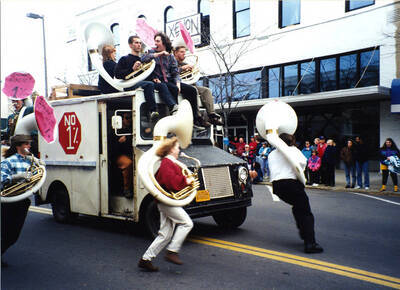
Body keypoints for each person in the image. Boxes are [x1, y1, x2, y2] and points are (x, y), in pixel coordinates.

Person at [138, 137, 194, 272]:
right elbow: (170, 182)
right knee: (187, 223)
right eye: (177, 147)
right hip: (167, 202)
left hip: (166, 202)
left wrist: (186, 180)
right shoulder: (167, 163)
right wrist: (186, 180)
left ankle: (145, 259)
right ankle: (172, 251)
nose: (179, 149)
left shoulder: (170, 163)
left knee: (165, 234)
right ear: (171, 149)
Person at [268, 133, 323, 253]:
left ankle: (303, 233)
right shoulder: (293, 150)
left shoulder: (271, 154)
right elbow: (303, 163)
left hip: (277, 186)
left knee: (297, 207)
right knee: (305, 212)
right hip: (291, 183)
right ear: (291, 141)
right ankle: (310, 243)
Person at [141, 33, 206, 129]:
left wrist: (178, 83)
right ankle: (174, 114)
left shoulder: (170, 57)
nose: (155, 43)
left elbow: (175, 72)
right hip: (159, 81)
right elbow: (143, 58)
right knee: (172, 89)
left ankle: (195, 119)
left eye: (158, 41)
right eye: (155, 41)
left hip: (169, 80)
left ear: (163, 42)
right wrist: (159, 54)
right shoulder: (151, 52)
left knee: (192, 90)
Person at [1, 135, 37, 266]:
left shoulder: (30, 161)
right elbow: (1, 180)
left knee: (14, 235)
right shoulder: (8, 162)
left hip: (23, 200)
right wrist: (17, 177)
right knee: (5, 232)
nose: (29, 146)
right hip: (9, 201)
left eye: (29, 143)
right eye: (26, 144)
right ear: (18, 146)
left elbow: (37, 175)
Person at [115, 35, 168, 122]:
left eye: (140, 43)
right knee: (149, 84)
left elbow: (146, 74)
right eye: (136, 43)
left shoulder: (142, 59)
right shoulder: (124, 59)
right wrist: (132, 69)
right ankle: (153, 111)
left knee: (162, 85)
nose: (139, 45)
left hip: (143, 83)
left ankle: (170, 110)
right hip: (130, 85)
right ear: (130, 45)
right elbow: (117, 75)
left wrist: (154, 78)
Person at [173, 46, 223, 126]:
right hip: (177, 85)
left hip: (189, 85)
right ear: (175, 53)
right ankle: (198, 117)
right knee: (193, 90)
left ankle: (212, 115)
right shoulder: (171, 62)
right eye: (182, 52)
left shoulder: (185, 64)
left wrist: (191, 71)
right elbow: (171, 73)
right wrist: (182, 68)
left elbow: (191, 79)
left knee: (206, 90)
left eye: (184, 52)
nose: (184, 54)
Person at [112, 112, 133, 197]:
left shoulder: (133, 129)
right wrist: (119, 143)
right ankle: (126, 189)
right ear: (121, 120)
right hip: (117, 155)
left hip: (130, 153)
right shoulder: (114, 131)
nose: (130, 120)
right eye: (127, 118)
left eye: (130, 117)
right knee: (128, 164)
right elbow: (110, 149)